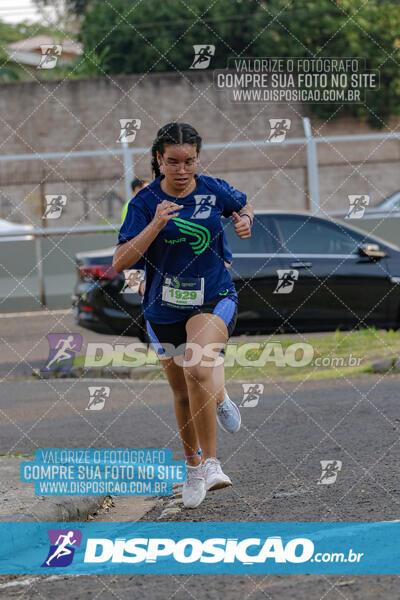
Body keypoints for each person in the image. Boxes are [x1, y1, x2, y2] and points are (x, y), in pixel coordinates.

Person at [113, 122, 254, 509]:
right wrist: (156, 223)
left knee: (197, 367)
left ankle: (210, 463)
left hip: (213, 296)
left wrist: (245, 220)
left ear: (197, 158)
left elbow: (243, 205)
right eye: (172, 161)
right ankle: (192, 464)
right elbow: (120, 261)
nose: (181, 169)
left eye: (189, 161)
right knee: (181, 391)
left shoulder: (213, 189)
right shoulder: (143, 203)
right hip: (162, 307)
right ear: (159, 159)